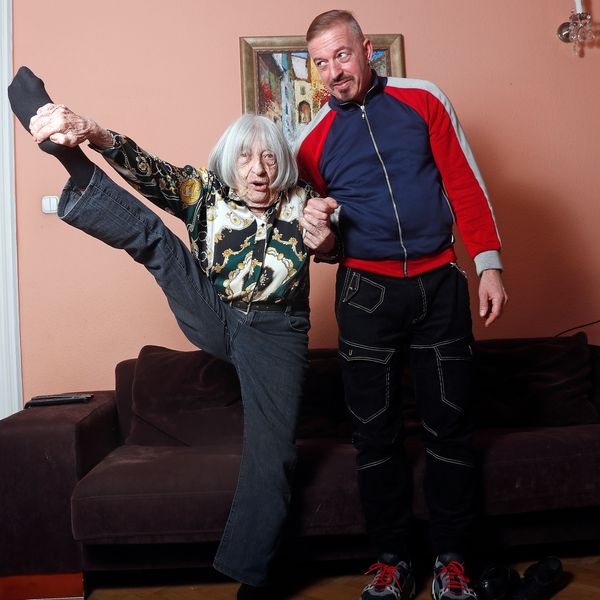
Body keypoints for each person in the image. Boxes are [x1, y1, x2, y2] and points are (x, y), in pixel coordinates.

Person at [8, 66, 330, 600]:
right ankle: (67, 155)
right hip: (216, 313)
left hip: (277, 332)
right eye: (246, 157)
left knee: (274, 454)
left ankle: (254, 576)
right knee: (158, 240)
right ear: (230, 160)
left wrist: (328, 236)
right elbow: (146, 169)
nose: (258, 169)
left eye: (269, 157)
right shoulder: (204, 193)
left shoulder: (304, 199)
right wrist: (90, 131)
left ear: (282, 164)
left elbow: (337, 245)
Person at [297, 10, 508, 600]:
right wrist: (321, 236)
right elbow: (323, 242)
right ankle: (392, 560)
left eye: (341, 55)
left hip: (441, 284)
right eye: (320, 63)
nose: (334, 72)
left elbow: (463, 181)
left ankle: (451, 559)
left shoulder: (424, 99)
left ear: (367, 51)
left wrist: (488, 264)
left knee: (451, 429)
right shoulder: (308, 144)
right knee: (375, 435)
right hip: (365, 294)